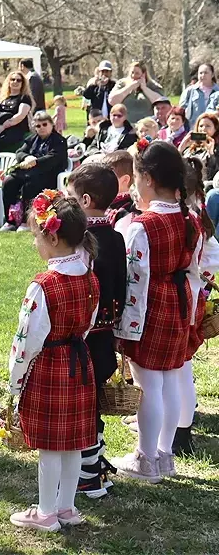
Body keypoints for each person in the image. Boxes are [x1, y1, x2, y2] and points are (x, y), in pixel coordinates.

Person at [8, 190, 99, 532]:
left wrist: (16, 378)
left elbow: (26, 340)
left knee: (49, 444)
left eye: (36, 236)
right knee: (73, 440)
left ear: (53, 235)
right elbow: (89, 323)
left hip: (50, 365)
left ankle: (46, 512)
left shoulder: (44, 285)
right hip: (79, 360)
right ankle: (67, 506)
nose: (35, 244)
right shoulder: (90, 276)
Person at [112, 141, 201, 482]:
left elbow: (136, 282)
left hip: (151, 308)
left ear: (146, 179)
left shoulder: (141, 226)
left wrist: (126, 328)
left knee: (148, 385)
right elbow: (194, 269)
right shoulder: (189, 220)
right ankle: (164, 453)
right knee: (168, 381)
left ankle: (146, 457)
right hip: (179, 304)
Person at [66, 164, 127, 498]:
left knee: (83, 408)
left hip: (82, 337)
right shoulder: (117, 236)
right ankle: (96, 465)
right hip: (105, 337)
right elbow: (123, 285)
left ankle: (88, 475)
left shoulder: (83, 241)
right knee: (94, 405)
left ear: (85, 199)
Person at [178, 157, 219, 455]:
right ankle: (181, 423)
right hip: (190, 296)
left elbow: (212, 256)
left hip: (187, 298)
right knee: (183, 365)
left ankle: (182, 430)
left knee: (181, 365)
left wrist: (198, 277)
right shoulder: (195, 213)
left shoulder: (191, 216)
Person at [0, 111, 68, 232]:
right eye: (38, 126)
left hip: (49, 174)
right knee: (9, 182)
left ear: (52, 124)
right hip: (29, 172)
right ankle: (10, 221)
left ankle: (26, 221)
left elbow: (54, 158)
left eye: (45, 124)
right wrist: (26, 158)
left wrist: (35, 161)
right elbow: (19, 152)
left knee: (29, 185)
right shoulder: (32, 139)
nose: (41, 128)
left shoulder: (59, 140)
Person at [0, 72, 32, 156]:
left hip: (16, 133)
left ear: (23, 83)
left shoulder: (24, 98)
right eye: (13, 79)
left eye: (19, 80)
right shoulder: (4, 98)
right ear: (9, 82)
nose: (15, 82)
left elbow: (20, 116)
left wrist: (3, 126)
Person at [103, 150, 139, 228]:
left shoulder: (127, 212)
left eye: (109, 177)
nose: (101, 181)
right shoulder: (108, 203)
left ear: (125, 180)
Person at [180, 112, 219, 181]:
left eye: (208, 126)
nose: (203, 129)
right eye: (201, 126)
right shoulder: (190, 148)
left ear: (215, 129)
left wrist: (211, 153)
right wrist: (181, 148)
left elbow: (214, 174)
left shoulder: (216, 148)